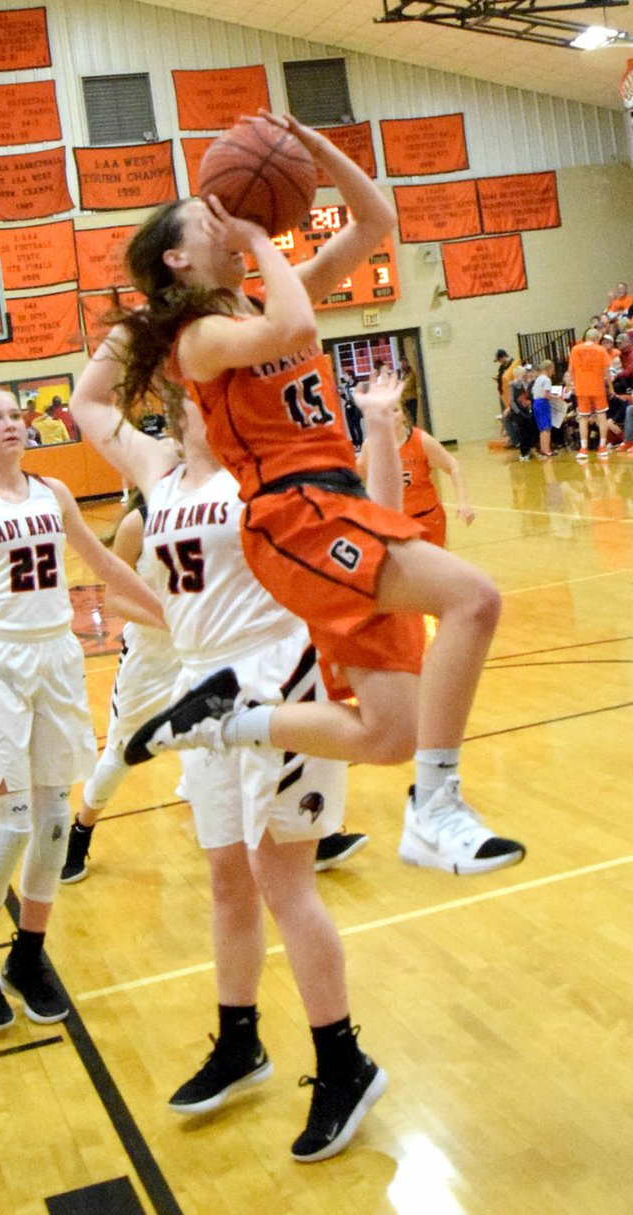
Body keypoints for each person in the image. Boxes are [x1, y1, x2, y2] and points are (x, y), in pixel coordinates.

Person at [70, 109, 525, 879]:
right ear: (178, 257)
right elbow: (295, 326)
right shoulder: (200, 339)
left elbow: (377, 219)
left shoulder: (258, 303)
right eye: (207, 214)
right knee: (474, 599)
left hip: (336, 502)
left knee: (390, 731)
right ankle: (437, 806)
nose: (227, 216)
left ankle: (228, 719)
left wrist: (312, 151)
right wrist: (255, 241)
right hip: (293, 514)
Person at [66, 378, 381, 1162]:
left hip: (276, 678)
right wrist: (144, 316)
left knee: (285, 883)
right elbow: (87, 401)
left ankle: (345, 1061)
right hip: (196, 687)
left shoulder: (270, 469)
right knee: (226, 878)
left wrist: (376, 429)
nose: (189, 394)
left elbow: (370, 521)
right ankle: (239, 1039)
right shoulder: (160, 473)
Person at [0, 387, 164, 1034]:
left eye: (16, 415)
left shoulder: (54, 493)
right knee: (12, 822)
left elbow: (101, 560)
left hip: (57, 658)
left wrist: (170, 611)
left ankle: (31, 956)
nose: (12, 424)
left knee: (51, 821)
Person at [61, 493, 368, 885]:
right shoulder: (138, 523)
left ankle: (311, 834)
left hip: (213, 653)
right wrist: (177, 623)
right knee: (123, 752)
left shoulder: (221, 511)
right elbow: (117, 600)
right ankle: (81, 831)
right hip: (152, 660)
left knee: (260, 729)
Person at [356, 403, 474, 547]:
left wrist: (462, 501)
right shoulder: (371, 445)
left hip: (427, 519)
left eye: (395, 410)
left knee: (431, 567)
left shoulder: (421, 440)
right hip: (393, 522)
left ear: (404, 415)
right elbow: (356, 475)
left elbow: (453, 466)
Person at [568, 328, 614, 461]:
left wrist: (573, 384)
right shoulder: (600, 350)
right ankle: (602, 447)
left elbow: (571, 370)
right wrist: (611, 388)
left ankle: (583, 448)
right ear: (596, 339)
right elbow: (607, 371)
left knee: (583, 418)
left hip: (582, 387)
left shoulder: (575, 349)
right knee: (601, 416)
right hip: (597, 387)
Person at [530, 359, 556, 458]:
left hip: (536, 403)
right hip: (543, 403)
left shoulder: (538, 379)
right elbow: (546, 394)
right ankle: (547, 450)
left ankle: (543, 448)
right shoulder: (546, 380)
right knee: (546, 427)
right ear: (548, 369)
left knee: (542, 428)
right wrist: (556, 397)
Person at [398, 355, 419, 426]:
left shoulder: (411, 374)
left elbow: (406, 387)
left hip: (411, 400)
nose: (402, 365)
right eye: (401, 363)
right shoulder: (403, 375)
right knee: (406, 422)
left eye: (403, 363)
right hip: (404, 402)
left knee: (412, 420)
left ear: (407, 363)